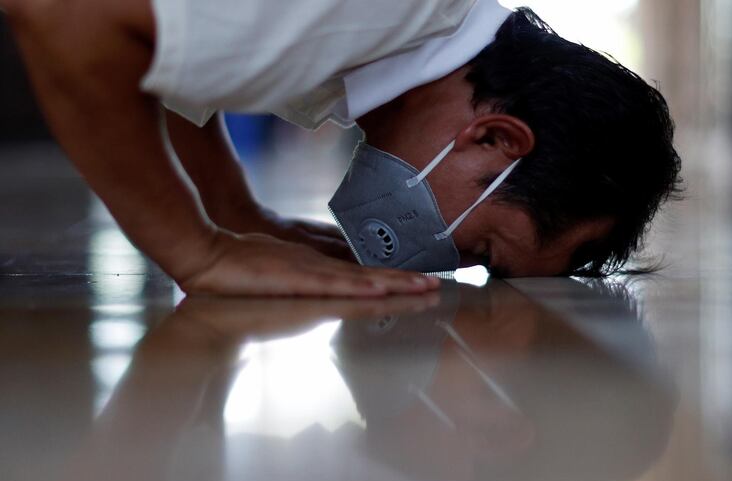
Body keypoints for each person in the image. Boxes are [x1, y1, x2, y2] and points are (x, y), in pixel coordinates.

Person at [3, 0, 681, 297]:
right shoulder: (374, 9)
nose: (446, 263)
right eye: (480, 251)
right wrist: (197, 251)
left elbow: (171, 47)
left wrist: (233, 212)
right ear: (497, 138)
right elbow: (66, 13)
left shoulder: (391, 35)